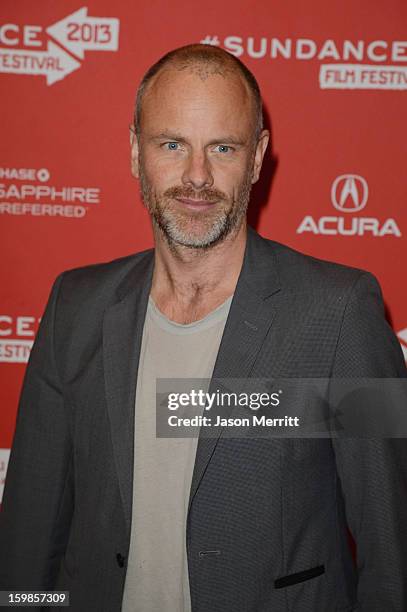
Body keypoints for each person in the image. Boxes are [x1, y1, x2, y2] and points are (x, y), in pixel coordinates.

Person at [0, 43, 406, 612]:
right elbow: (28, 535)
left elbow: (394, 554)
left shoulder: (339, 314)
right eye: (172, 145)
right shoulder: (76, 306)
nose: (197, 176)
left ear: (258, 156)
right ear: (136, 152)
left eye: (223, 147)